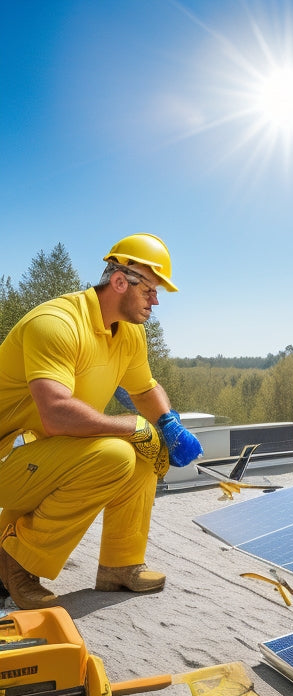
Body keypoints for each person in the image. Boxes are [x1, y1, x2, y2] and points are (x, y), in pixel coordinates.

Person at [0, 233, 203, 609]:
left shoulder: (128, 334)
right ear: (120, 281)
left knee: (146, 450)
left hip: (42, 455)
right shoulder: (56, 323)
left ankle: (119, 565)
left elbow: (144, 389)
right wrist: (132, 426)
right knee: (117, 453)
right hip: (7, 460)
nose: (156, 301)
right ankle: (14, 561)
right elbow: (56, 412)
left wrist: (168, 424)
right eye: (150, 291)